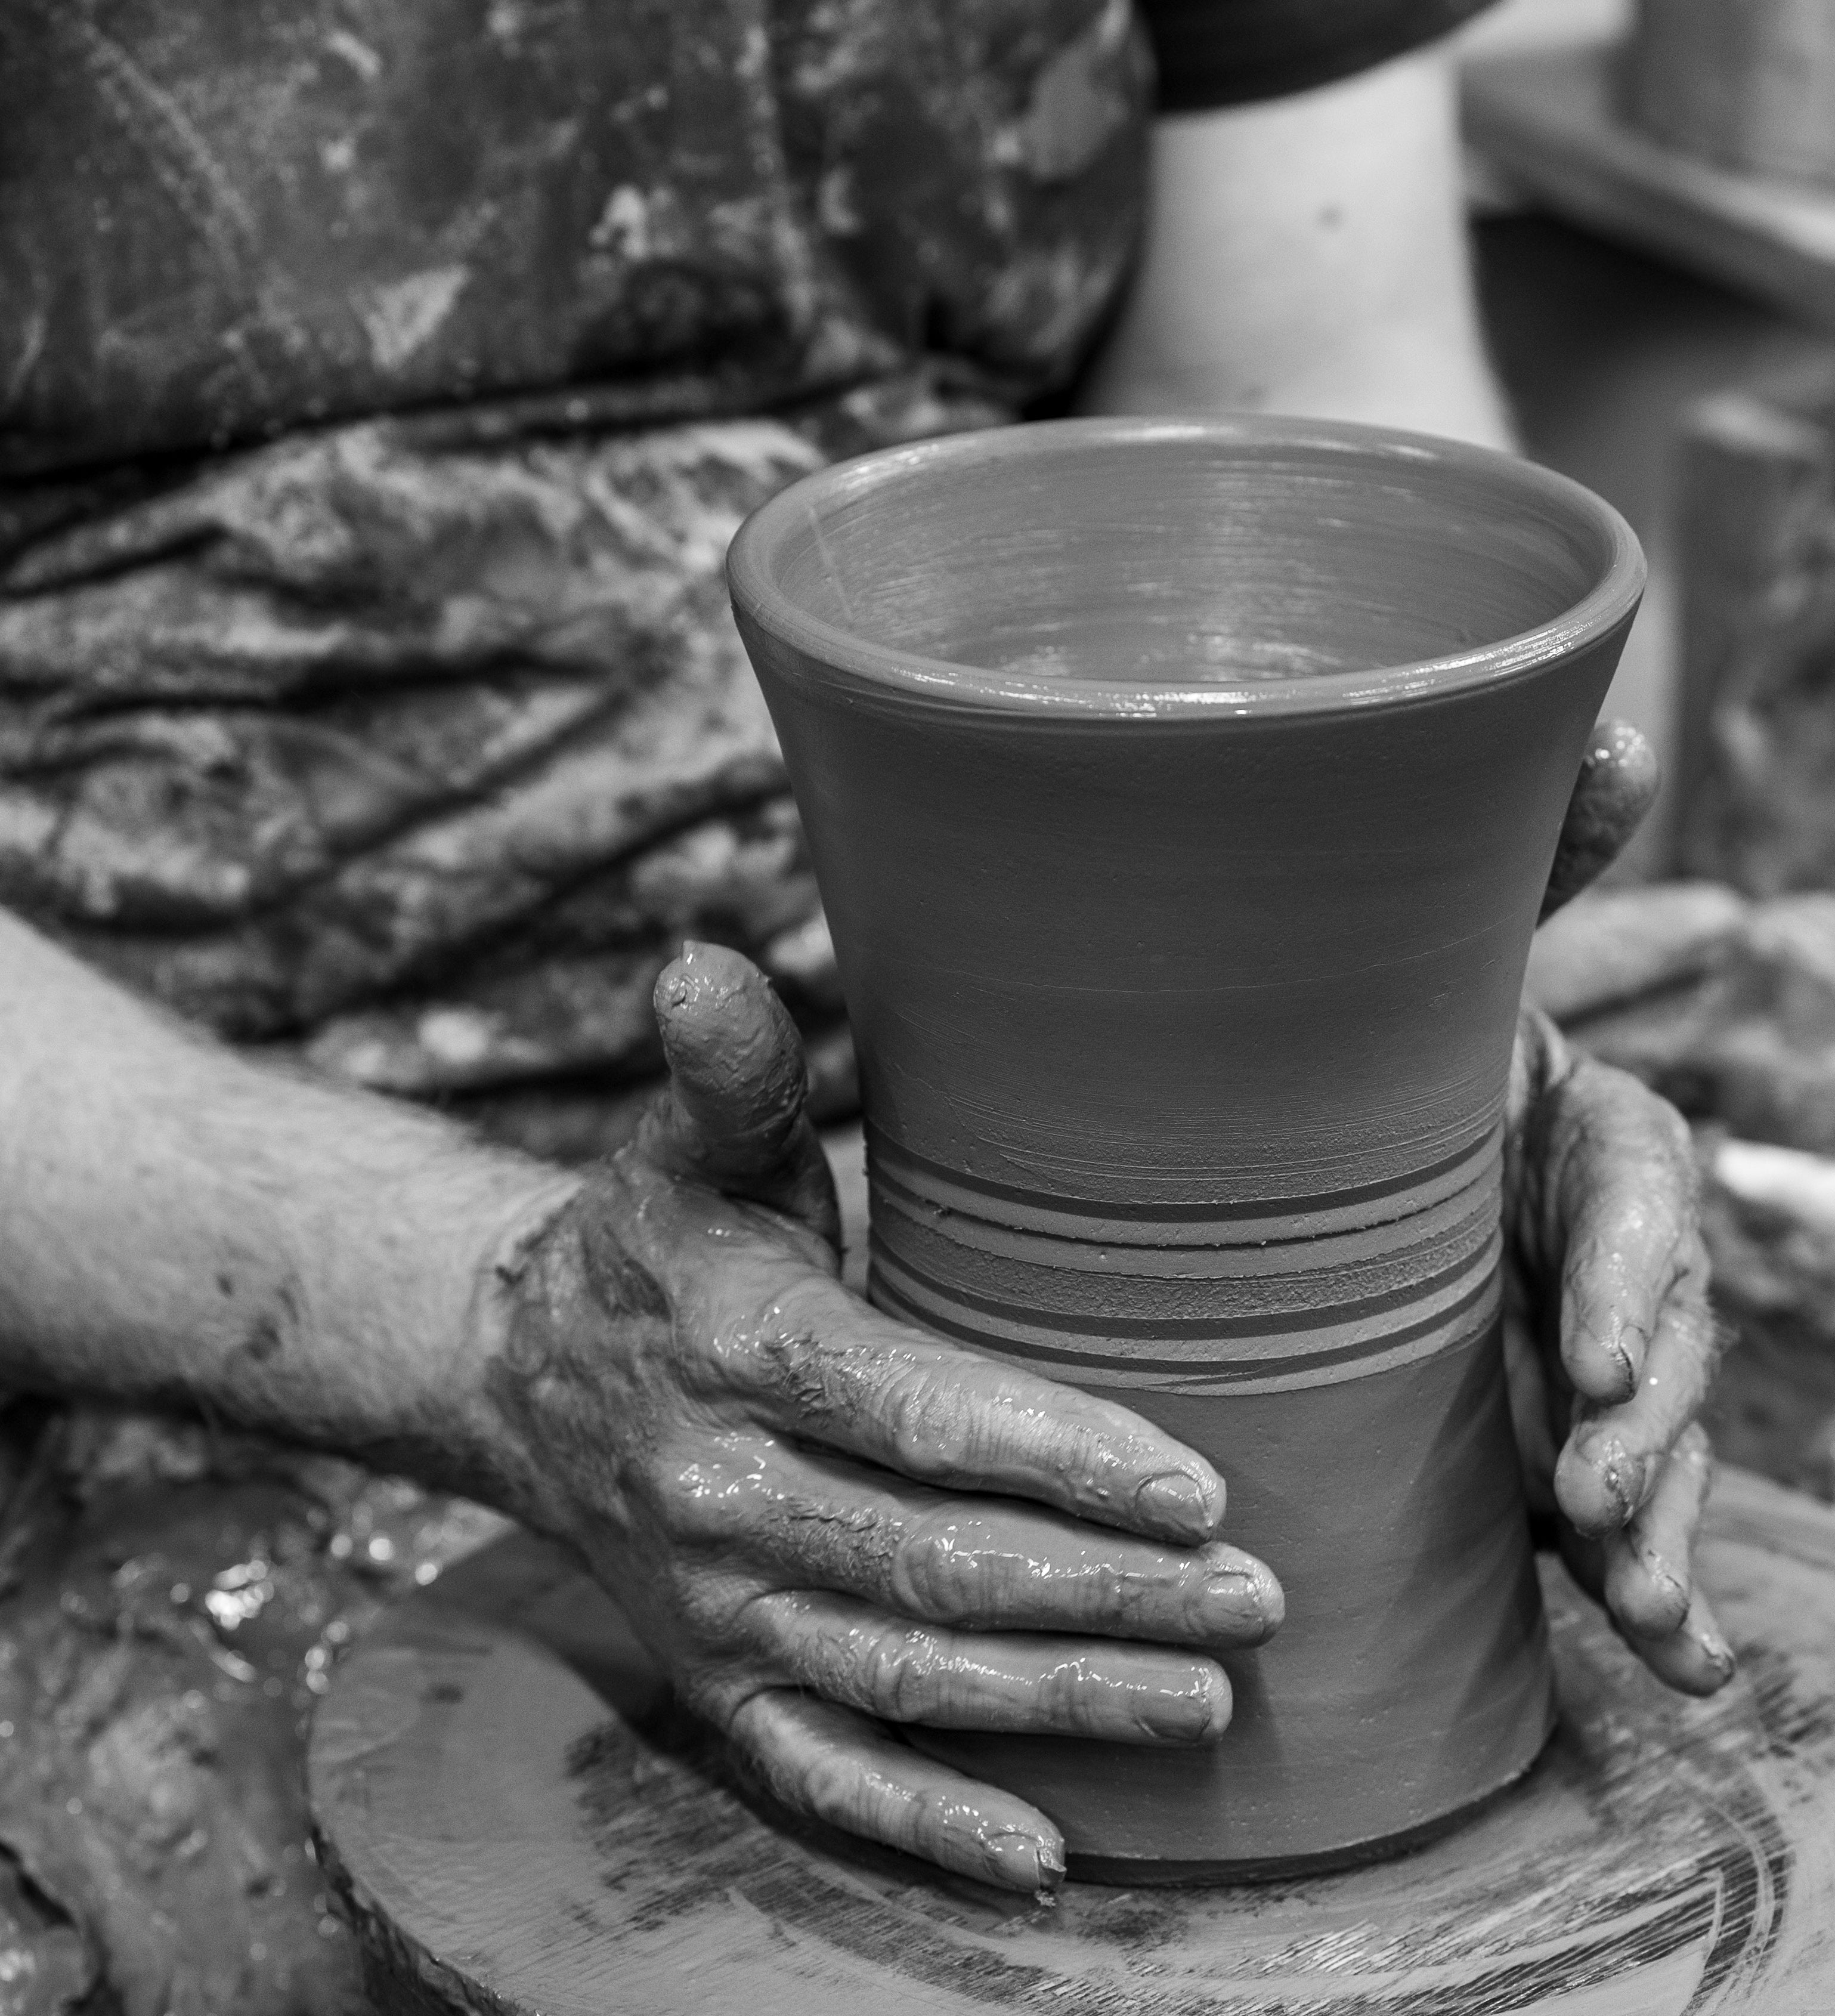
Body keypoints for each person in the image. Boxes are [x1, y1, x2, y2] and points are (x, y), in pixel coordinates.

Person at [0, 0, 1724, 1900]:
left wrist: (1427, 1029)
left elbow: (1332, 452)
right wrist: (488, 1333)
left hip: (998, 1024)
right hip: (205, 1181)